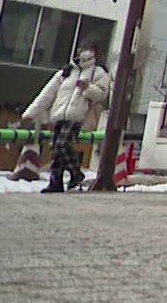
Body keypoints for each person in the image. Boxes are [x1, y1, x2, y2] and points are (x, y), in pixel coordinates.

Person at [20, 42, 110, 193]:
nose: (85, 53)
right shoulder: (66, 71)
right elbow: (47, 94)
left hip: (77, 116)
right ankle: (56, 182)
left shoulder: (98, 72)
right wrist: (30, 114)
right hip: (58, 114)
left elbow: (102, 94)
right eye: (82, 49)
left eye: (89, 50)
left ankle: (76, 172)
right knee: (56, 149)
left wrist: (87, 88)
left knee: (62, 145)